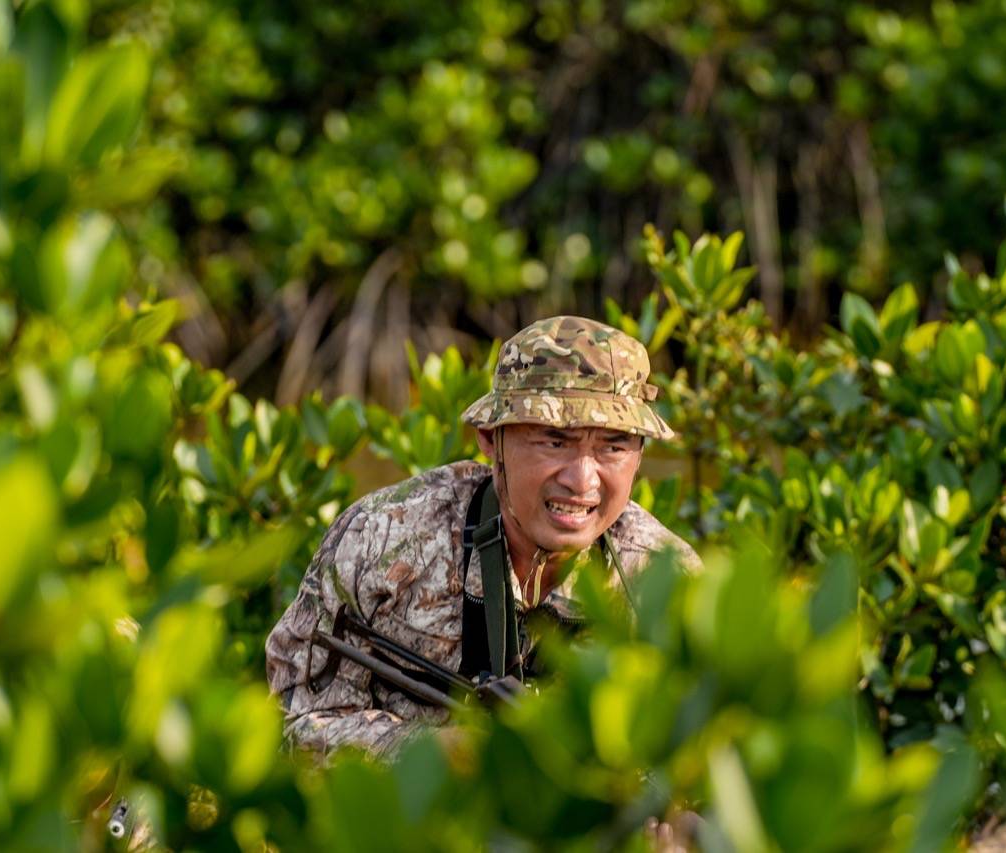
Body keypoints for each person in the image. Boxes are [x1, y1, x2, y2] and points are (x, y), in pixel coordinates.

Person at [265, 315, 700, 758]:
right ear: (491, 440)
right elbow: (292, 724)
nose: (582, 479)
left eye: (613, 446)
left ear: (640, 455)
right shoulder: (380, 538)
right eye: (555, 441)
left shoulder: (668, 579)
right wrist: (438, 756)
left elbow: (709, 760)